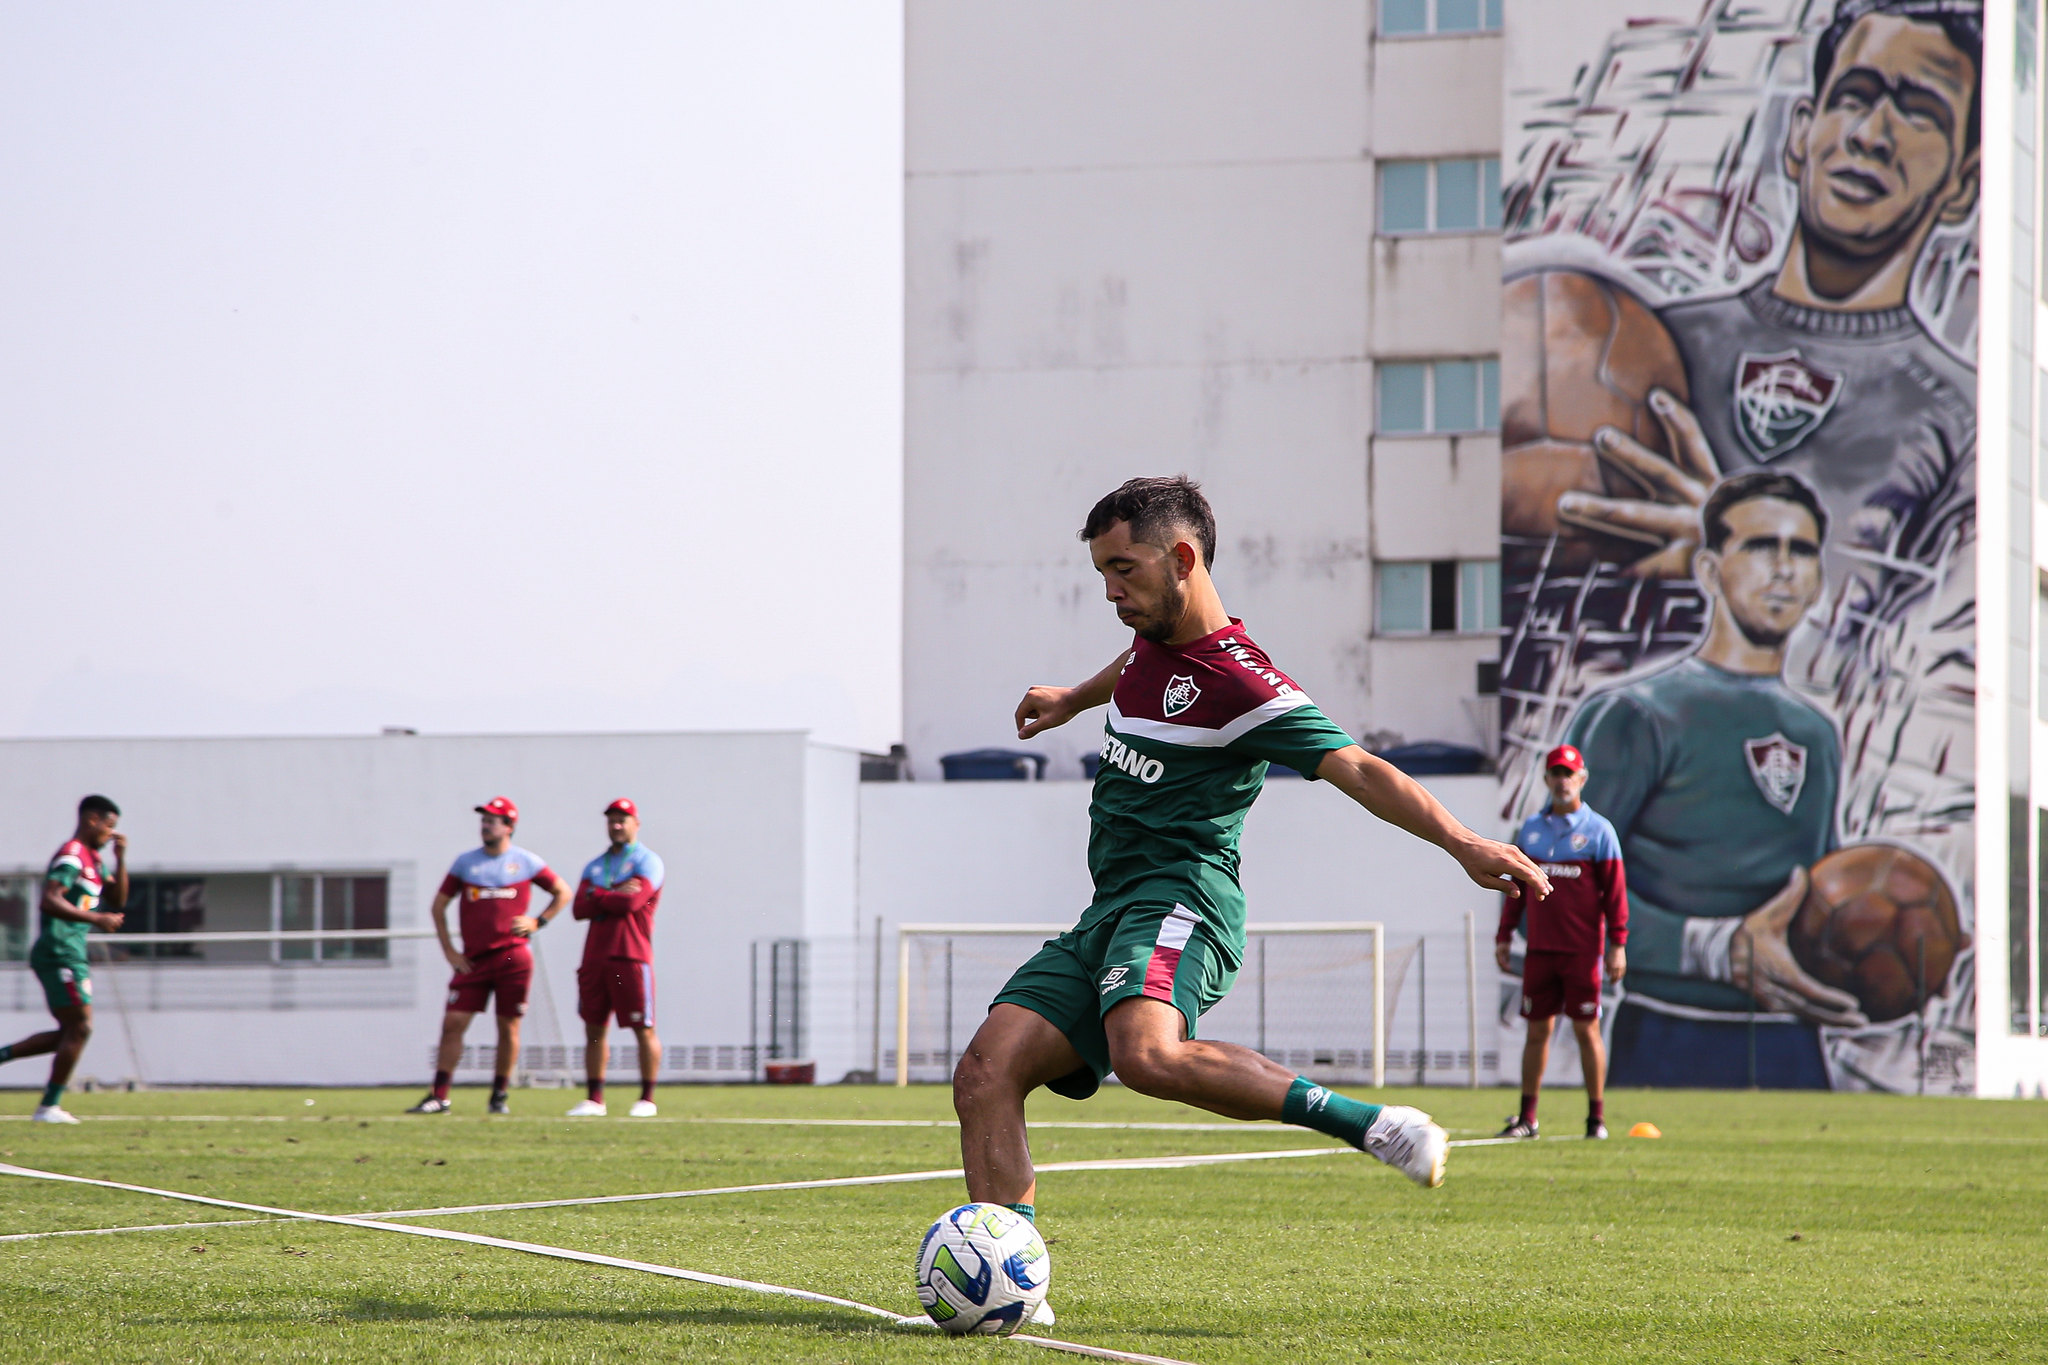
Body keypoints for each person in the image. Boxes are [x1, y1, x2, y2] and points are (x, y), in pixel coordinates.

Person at [953, 476, 1552, 1321]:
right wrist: (1071, 698)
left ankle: (1376, 1125)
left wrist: (1463, 842)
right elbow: (1133, 667)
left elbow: (1360, 767)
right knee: (985, 1071)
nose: (1111, 591)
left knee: (1146, 1055)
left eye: (1123, 569)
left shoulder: (1244, 682)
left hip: (1182, 898)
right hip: (1108, 910)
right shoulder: (1149, 642)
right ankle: (1014, 1290)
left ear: (1182, 557)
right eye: (1101, 573)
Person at [1530, 0, 1980, 580]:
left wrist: (1736, 561)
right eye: (1854, 97)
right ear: (1800, 135)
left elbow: (1926, 629)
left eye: (1920, 114)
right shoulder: (1650, 344)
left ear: (1963, 185)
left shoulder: (1963, 423)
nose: (1871, 136)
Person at [1564, 471, 1857, 1087]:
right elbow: (1559, 884)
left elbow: (1814, 894)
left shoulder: (1817, 732)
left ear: (1817, 582)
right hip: (1670, 1031)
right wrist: (1712, 947)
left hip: (1795, 1043)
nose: (1784, 569)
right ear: (1708, 570)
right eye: (1760, 546)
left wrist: (1891, 935)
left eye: (1802, 551)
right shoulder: (1635, 714)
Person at [1495, 745, 1627, 1140]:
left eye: (1569, 774)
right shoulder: (1531, 830)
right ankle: (1528, 1118)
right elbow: (1516, 888)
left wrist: (1617, 944)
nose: (1562, 780)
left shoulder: (1600, 831)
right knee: (1537, 1032)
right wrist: (1505, 934)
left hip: (1583, 952)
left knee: (1587, 1031)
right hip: (1540, 950)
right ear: (1546, 779)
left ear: (1582, 778)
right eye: (1556, 773)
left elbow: (1615, 894)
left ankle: (1596, 1120)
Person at [407, 797, 568, 1115]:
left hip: (512, 958)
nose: (485, 825)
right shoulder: (466, 863)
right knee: (453, 1022)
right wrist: (450, 951)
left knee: (508, 1026)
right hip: (474, 960)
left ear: (509, 826)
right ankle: (439, 1096)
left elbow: (563, 892)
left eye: (492, 820)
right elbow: (438, 906)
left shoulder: (526, 861)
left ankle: (498, 1096)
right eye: (484, 820)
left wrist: (538, 921)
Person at [0, 796, 128, 1124]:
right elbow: (49, 899)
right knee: (79, 1027)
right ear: (92, 820)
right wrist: (96, 919)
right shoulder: (72, 855)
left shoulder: (94, 861)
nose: (111, 834)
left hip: (71, 950)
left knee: (73, 1031)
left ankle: (46, 1103)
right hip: (59, 949)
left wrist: (120, 858)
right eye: (109, 826)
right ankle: (48, 1108)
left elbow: (117, 900)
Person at [565, 799, 665, 1118]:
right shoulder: (595, 865)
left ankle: (647, 1098)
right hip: (595, 956)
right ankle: (595, 1099)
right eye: (611, 820)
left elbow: (632, 903)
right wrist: (613, 893)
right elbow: (578, 908)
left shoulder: (648, 862)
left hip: (630, 955)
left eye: (622, 819)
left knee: (643, 1027)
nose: (616, 825)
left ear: (636, 823)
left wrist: (597, 895)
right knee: (594, 1028)